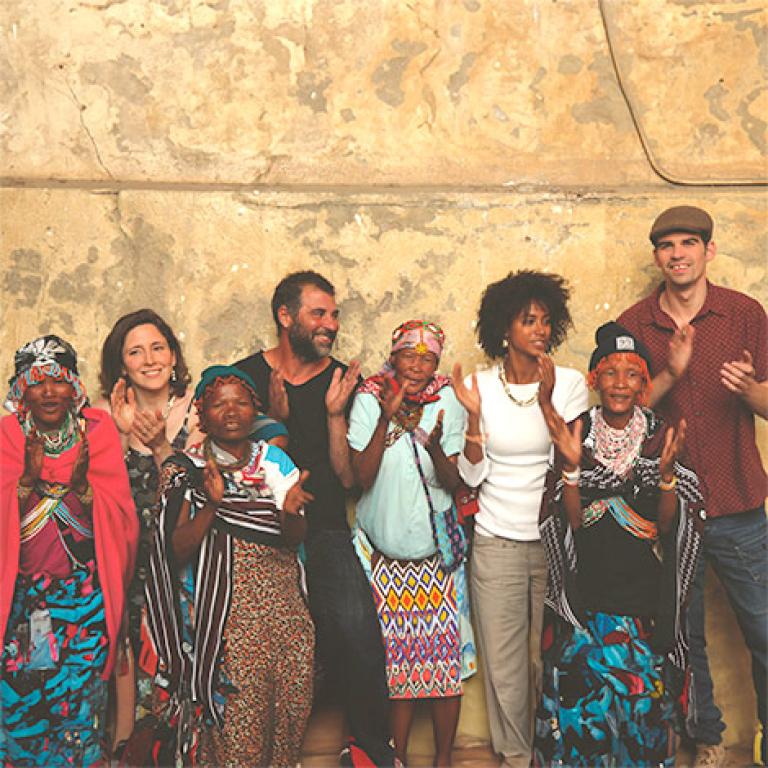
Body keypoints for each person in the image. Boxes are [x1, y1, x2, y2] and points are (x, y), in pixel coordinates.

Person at [96, 308, 288, 748]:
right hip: (127, 560)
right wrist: (123, 439)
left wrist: (161, 446)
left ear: (174, 354)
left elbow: (198, 489)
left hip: (191, 565)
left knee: (188, 670)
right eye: (135, 351)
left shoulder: (203, 412)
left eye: (158, 347)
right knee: (131, 663)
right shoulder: (102, 418)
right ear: (120, 364)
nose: (149, 359)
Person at [617, 206, 767, 768]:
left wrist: (750, 391)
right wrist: (671, 374)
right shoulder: (633, 326)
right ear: (657, 256)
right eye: (666, 245)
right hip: (669, 507)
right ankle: (705, 737)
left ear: (709, 251)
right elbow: (622, 419)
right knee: (685, 636)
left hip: (738, 503)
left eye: (688, 243)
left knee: (765, 628)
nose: (677, 253)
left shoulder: (745, 314)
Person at [235, 270, 395, 767]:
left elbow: (349, 483)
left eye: (334, 314)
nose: (331, 324)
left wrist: (333, 415)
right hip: (263, 537)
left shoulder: (342, 381)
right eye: (318, 314)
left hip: (324, 529)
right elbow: (234, 457)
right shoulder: (246, 379)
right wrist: (277, 422)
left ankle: (370, 753)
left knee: (358, 635)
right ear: (286, 317)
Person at [532, 321, 703, 767]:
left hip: (642, 611)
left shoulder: (660, 437)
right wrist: (571, 470)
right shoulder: (577, 433)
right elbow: (569, 521)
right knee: (585, 731)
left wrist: (666, 478)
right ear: (594, 380)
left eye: (632, 373)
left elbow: (669, 528)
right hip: (587, 607)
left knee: (640, 731)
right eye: (610, 372)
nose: (620, 383)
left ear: (644, 383)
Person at [143, 365, 314, 767]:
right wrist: (213, 505)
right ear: (201, 413)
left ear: (257, 409)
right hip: (224, 622)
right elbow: (177, 551)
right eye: (220, 404)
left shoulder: (275, 461)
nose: (232, 411)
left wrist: (289, 513)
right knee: (237, 726)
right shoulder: (184, 470)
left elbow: (293, 539)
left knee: (288, 713)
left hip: (284, 614)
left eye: (242, 402)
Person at [453, 270, 588, 768]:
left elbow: (570, 460)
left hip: (553, 540)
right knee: (505, 665)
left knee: (546, 658)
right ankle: (514, 757)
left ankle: (549, 752)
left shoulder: (569, 383)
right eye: (527, 320)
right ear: (503, 329)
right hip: (496, 542)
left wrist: (549, 399)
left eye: (546, 321)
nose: (539, 330)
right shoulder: (479, 386)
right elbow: (470, 475)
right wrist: (470, 420)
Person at [0, 335, 138, 766]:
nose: (48, 392)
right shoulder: (5, 436)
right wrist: (23, 487)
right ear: (21, 389)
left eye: (58, 381)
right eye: (36, 382)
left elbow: (123, 522)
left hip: (83, 607)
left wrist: (83, 492)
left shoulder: (97, 431)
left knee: (78, 720)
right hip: (20, 609)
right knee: (20, 719)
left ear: (74, 386)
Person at [348, 320, 475, 767]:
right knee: (396, 667)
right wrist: (388, 415)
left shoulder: (448, 400)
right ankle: (395, 759)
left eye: (428, 357)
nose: (418, 365)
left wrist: (438, 448)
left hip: (433, 556)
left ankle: (443, 760)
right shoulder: (368, 397)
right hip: (382, 558)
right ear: (393, 355)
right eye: (409, 355)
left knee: (443, 665)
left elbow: (454, 480)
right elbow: (360, 478)